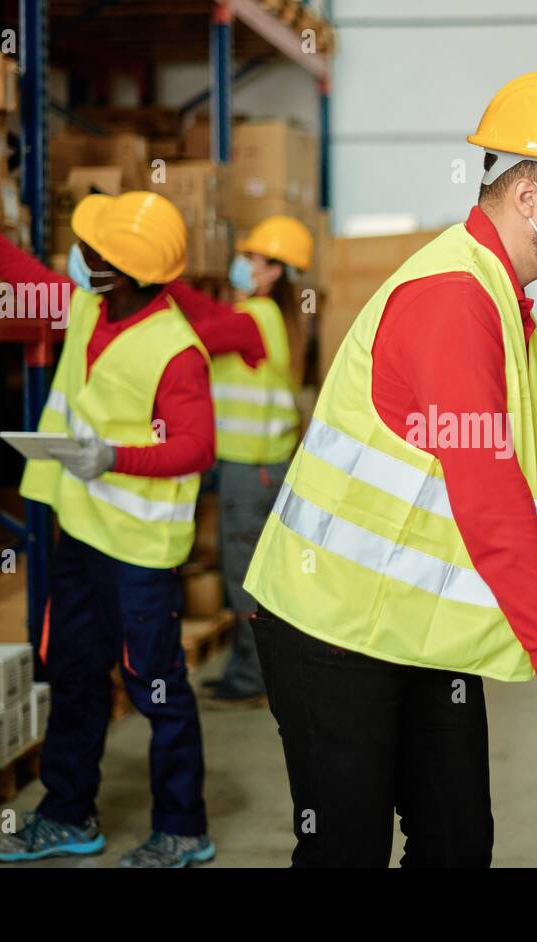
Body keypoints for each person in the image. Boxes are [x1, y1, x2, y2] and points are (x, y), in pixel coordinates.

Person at [240, 68, 537, 867]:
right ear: (533, 195)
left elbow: (530, 503)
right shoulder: (453, 299)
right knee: (345, 850)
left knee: (456, 841)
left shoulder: (501, 301)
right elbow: (489, 500)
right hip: (328, 624)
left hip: (411, 632)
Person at [0, 179, 261, 866]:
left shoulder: (176, 350)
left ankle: (181, 825)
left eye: (93, 248)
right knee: (75, 673)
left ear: (129, 270)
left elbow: (196, 446)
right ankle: (67, 811)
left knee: (156, 686)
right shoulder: (88, 305)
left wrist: (114, 455)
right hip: (80, 537)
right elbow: (32, 283)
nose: (79, 254)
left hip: (139, 553)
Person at [192, 217, 311, 707]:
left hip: (252, 469)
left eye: (254, 259)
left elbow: (201, 331)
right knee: (254, 576)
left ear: (274, 272)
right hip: (259, 466)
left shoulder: (254, 320)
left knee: (245, 580)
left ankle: (254, 679)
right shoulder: (268, 317)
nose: (243, 264)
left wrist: (155, 290)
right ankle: (256, 672)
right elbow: (209, 313)